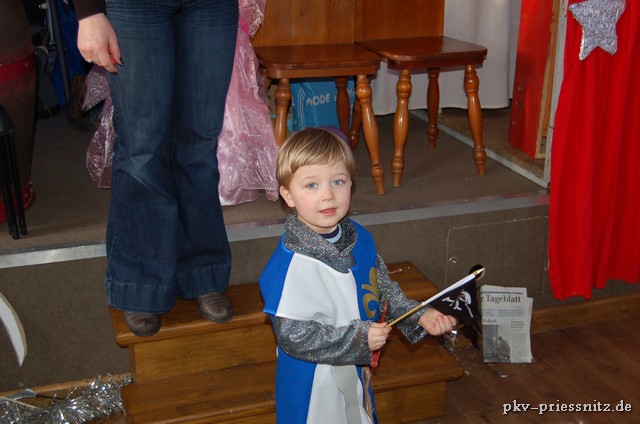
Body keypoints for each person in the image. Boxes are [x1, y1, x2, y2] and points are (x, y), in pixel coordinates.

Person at [259, 128, 458, 423]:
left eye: (338, 181)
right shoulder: (291, 264)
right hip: (311, 380)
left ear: (351, 184)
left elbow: (380, 289)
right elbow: (293, 336)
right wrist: (358, 338)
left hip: (352, 366)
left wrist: (418, 315)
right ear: (288, 195)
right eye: (311, 185)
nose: (328, 194)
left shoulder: (358, 239)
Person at [74, 0, 239, 336]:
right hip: (134, 7)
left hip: (212, 7)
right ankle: (142, 284)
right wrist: (88, 12)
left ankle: (202, 272)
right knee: (143, 149)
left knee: (200, 145)